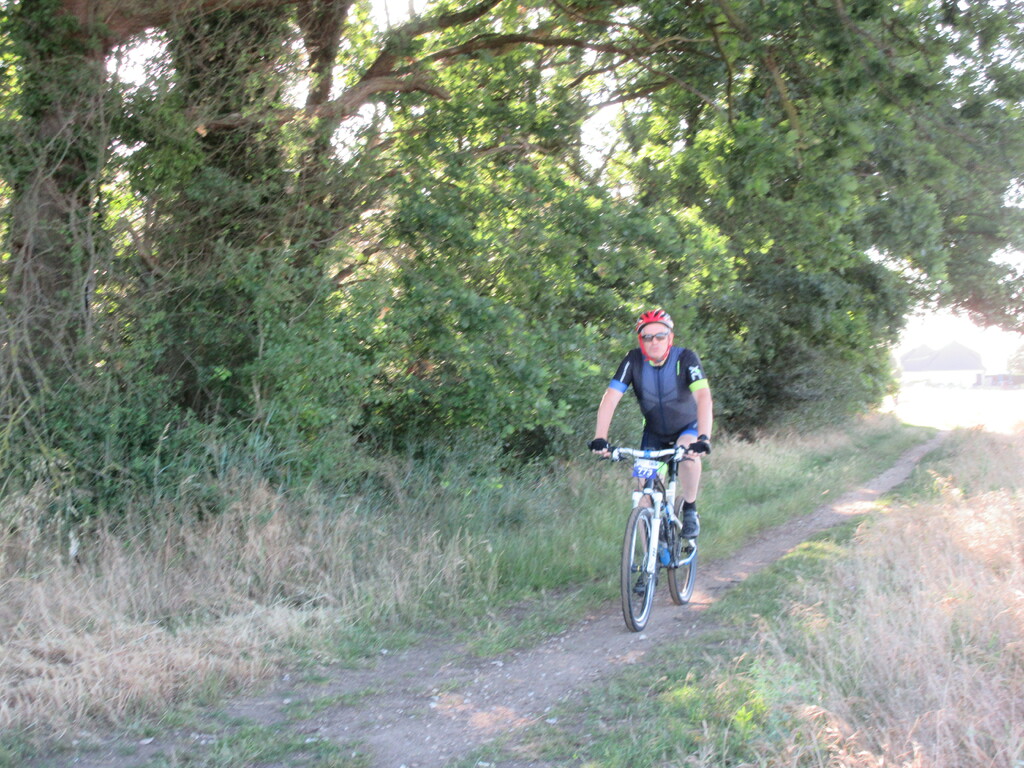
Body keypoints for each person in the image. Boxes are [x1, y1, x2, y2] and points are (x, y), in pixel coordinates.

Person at [588, 309, 713, 538]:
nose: (654, 341)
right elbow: (610, 398)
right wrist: (600, 437)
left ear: (670, 338)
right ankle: (651, 556)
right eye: (647, 337)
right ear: (641, 340)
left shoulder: (686, 358)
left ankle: (690, 509)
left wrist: (703, 438)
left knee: (688, 455)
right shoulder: (633, 360)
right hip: (654, 434)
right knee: (643, 494)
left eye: (660, 336)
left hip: (687, 428)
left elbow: (703, 397)